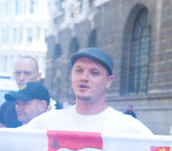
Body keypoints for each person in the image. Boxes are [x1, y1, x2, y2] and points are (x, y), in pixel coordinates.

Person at [19, 47, 153, 135]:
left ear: (108, 81)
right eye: (79, 71)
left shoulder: (130, 129)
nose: (84, 77)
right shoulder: (46, 123)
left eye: (94, 73)